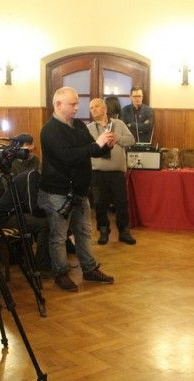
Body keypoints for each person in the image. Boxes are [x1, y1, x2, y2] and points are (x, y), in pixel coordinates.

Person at [38, 87, 115, 292]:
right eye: (72, 104)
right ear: (58, 105)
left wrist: (107, 145)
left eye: (76, 104)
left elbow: (93, 151)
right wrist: (96, 145)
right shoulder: (49, 130)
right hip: (57, 193)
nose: (76, 108)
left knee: (84, 232)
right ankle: (61, 274)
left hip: (79, 191)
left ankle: (89, 269)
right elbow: (68, 156)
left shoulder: (79, 125)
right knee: (59, 236)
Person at [87, 98, 136, 245]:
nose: (93, 110)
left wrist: (117, 138)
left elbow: (131, 140)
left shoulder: (119, 124)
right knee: (99, 204)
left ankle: (124, 231)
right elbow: (86, 148)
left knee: (121, 203)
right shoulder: (88, 128)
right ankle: (103, 231)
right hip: (97, 173)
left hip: (117, 172)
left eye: (96, 106)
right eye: (91, 108)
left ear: (105, 109)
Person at [0, 162, 53, 275]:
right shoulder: (32, 177)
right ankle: (42, 266)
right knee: (45, 224)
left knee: (50, 221)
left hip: (15, 214)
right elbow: (32, 208)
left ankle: (44, 261)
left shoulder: (37, 177)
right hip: (6, 217)